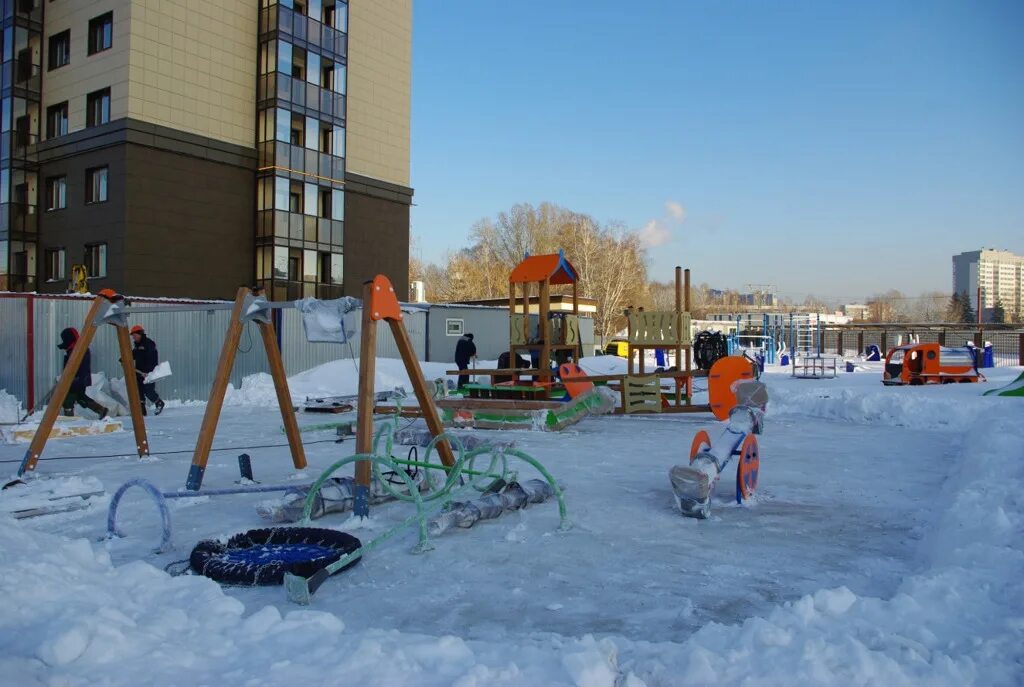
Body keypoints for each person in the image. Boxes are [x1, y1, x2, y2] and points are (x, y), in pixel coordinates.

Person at [57, 328, 107, 419]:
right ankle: (101, 410)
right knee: (81, 398)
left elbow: (77, 366)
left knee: (67, 399)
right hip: (78, 378)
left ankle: (69, 419)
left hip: (76, 379)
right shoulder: (75, 348)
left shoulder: (79, 349)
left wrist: (72, 378)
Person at [131, 325, 164, 415]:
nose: (134, 338)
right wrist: (124, 358)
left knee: (148, 390)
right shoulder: (137, 346)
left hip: (148, 373)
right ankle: (142, 411)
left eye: (135, 335)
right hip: (139, 373)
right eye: (133, 336)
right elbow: (133, 355)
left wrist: (148, 371)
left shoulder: (149, 344)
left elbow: (152, 359)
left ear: (140, 334)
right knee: (139, 391)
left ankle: (159, 403)